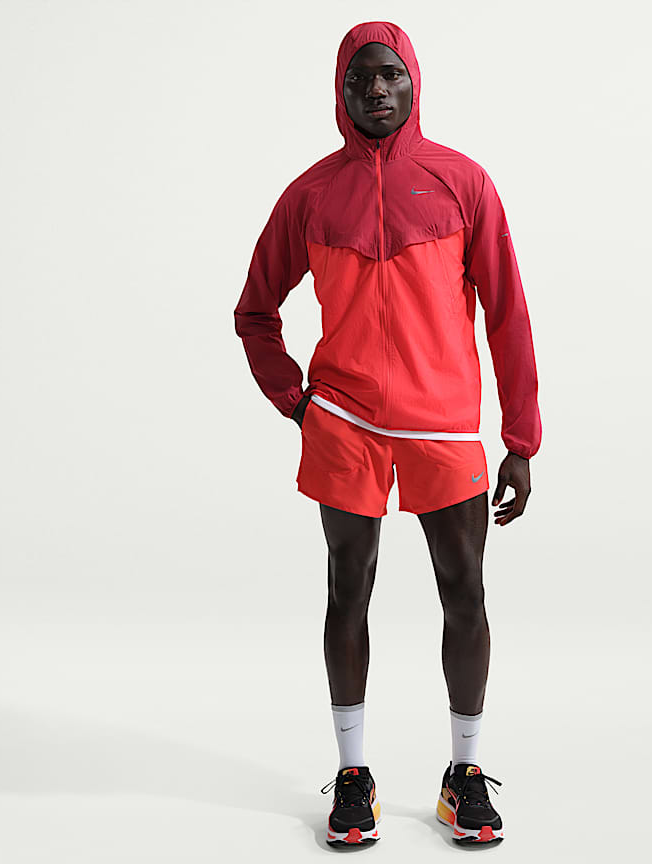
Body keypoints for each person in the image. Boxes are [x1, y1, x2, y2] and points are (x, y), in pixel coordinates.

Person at [234, 20, 541, 846]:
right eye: (358, 78)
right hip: (347, 424)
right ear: (339, 92)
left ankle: (464, 774)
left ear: (413, 82)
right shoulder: (309, 195)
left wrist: (521, 439)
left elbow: (508, 314)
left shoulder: (462, 181)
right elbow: (255, 312)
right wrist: (297, 401)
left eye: (390, 74)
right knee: (348, 589)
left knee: (465, 591)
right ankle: (353, 775)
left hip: (444, 426)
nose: (375, 89)